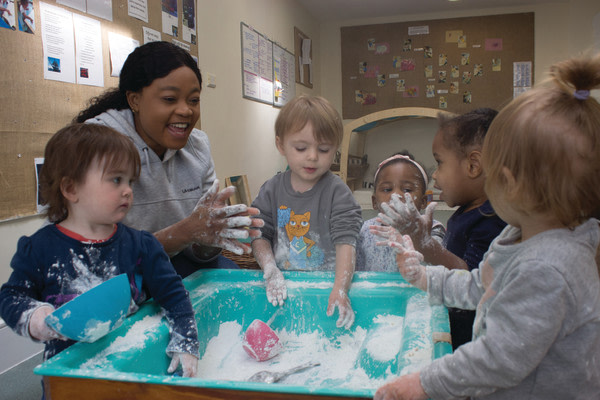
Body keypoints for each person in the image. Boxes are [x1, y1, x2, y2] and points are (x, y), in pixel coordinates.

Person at [374, 53, 600, 400]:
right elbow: (481, 286)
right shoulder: (518, 235)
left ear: (507, 181)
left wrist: (424, 382)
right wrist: (426, 278)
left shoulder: (548, 268)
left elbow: (498, 359)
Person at [0, 123, 200, 378]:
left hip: (131, 366)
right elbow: (11, 297)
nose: (128, 190)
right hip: (69, 374)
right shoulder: (39, 249)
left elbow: (174, 296)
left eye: (130, 181)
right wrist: (34, 317)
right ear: (71, 189)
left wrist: (186, 341)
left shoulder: (141, 246)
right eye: (116, 179)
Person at [73, 41, 263, 278]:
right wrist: (186, 231)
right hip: (117, 277)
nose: (186, 111)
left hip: (175, 263)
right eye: (170, 99)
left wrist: (210, 237)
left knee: (238, 285)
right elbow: (98, 260)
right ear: (135, 100)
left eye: (193, 100)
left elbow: (198, 253)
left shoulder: (198, 147)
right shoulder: (96, 146)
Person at [375, 108, 506, 349]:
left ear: (473, 166)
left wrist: (426, 244)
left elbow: (471, 284)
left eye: (440, 163)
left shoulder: (491, 220)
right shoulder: (468, 211)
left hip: (472, 344)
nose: (435, 175)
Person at [251, 95, 363, 329]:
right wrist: (270, 270)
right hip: (284, 287)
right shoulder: (272, 190)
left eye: (323, 149)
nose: (312, 156)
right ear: (281, 145)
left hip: (328, 285)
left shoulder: (337, 192)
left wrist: (340, 288)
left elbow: (346, 242)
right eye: (301, 148)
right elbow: (259, 233)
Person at [356, 151, 445, 272]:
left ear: (423, 202)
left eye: (407, 189)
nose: (396, 195)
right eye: (387, 189)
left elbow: (438, 270)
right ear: (374, 202)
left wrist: (419, 239)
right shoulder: (365, 230)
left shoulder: (433, 229)